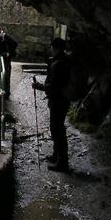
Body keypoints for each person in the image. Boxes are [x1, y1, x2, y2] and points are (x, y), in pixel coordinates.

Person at [32, 37, 72, 172]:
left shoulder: (58, 64)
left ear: (55, 48)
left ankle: (62, 162)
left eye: (51, 47)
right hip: (63, 99)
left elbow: (52, 86)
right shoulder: (65, 61)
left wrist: (38, 86)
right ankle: (56, 156)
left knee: (57, 130)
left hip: (58, 100)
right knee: (58, 127)